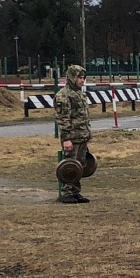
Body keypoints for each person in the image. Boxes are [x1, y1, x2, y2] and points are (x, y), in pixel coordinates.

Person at [55, 64, 92, 203]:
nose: (82, 80)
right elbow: (63, 118)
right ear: (72, 78)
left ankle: (75, 192)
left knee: (80, 165)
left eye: (83, 78)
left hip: (82, 135)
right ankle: (66, 193)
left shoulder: (80, 93)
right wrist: (66, 138)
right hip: (71, 136)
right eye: (79, 78)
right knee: (69, 165)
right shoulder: (64, 95)